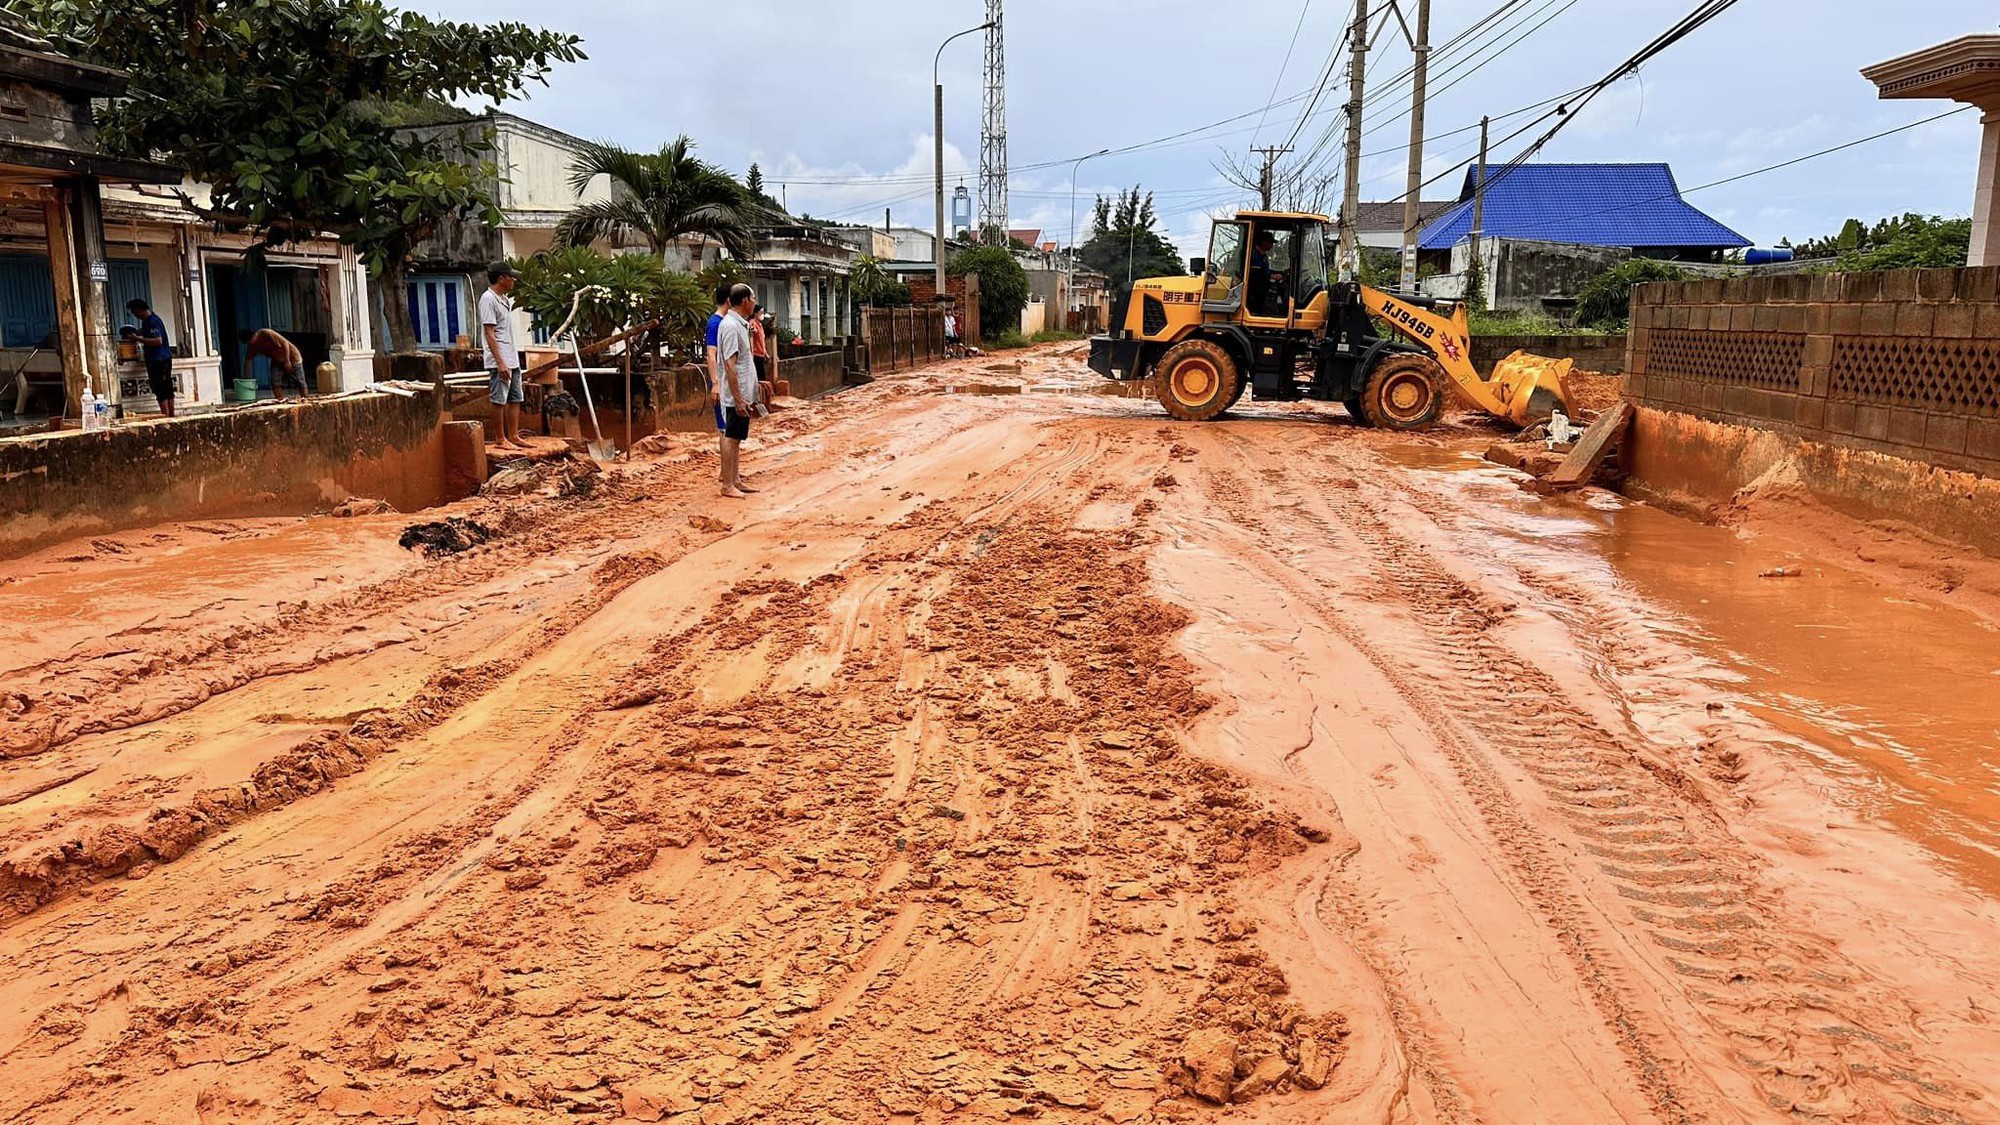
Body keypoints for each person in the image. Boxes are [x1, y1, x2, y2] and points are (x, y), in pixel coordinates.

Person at [715, 284, 764, 499]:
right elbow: (730, 365)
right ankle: (727, 484)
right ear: (744, 300)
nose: (754, 302)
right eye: (753, 297)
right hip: (736, 394)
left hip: (742, 392)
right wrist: (738, 398)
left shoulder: (739, 324)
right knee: (731, 436)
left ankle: (734, 479)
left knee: (736, 437)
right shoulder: (730, 326)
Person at [480, 261, 523, 451]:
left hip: (511, 357)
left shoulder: (504, 299)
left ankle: (513, 435)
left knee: (515, 397)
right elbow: (489, 332)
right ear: (501, 278)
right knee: (499, 397)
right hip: (500, 359)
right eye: (510, 276)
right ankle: (500, 438)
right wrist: (500, 362)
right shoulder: (488, 299)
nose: (513, 279)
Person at [127, 298, 174, 417]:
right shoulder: (151, 320)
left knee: (160, 389)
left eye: (134, 313)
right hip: (165, 357)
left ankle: (165, 415)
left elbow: (158, 341)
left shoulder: (151, 321)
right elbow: (146, 331)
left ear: (138, 310)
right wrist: (136, 333)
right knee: (167, 388)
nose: (135, 316)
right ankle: (170, 414)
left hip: (157, 359)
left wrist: (138, 339)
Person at [704, 281, 731, 482]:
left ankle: (728, 471)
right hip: (720, 382)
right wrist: (715, 383)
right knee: (724, 429)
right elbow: (710, 355)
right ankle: (724, 472)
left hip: (725, 381)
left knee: (728, 428)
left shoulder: (723, 322)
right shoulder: (715, 323)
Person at [241, 328, 307, 400]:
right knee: (275, 382)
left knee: (300, 381)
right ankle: (280, 401)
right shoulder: (251, 345)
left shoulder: (266, 333)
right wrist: (246, 378)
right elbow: (248, 361)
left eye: (251, 341)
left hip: (291, 356)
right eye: (248, 343)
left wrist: (287, 361)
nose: (251, 343)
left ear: (254, 335)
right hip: (276, 359)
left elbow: (285, 343)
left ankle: (305, 400)